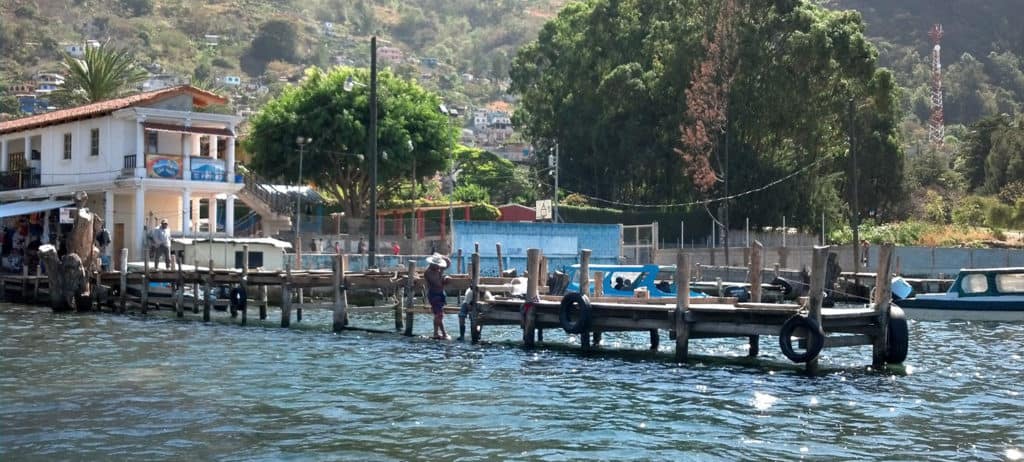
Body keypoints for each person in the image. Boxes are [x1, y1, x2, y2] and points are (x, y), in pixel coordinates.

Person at [424, 253, 452, 339]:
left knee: (437, 314)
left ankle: (436, 333)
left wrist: (443, 257)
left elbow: (448, 263)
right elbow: (438, 284)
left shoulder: (439, 268)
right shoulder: (429, 272)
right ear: (432, 264)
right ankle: (444, 333)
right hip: (434, 295)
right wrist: (445, 279)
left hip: (440, 294)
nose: (438, 267)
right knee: (439, 315)